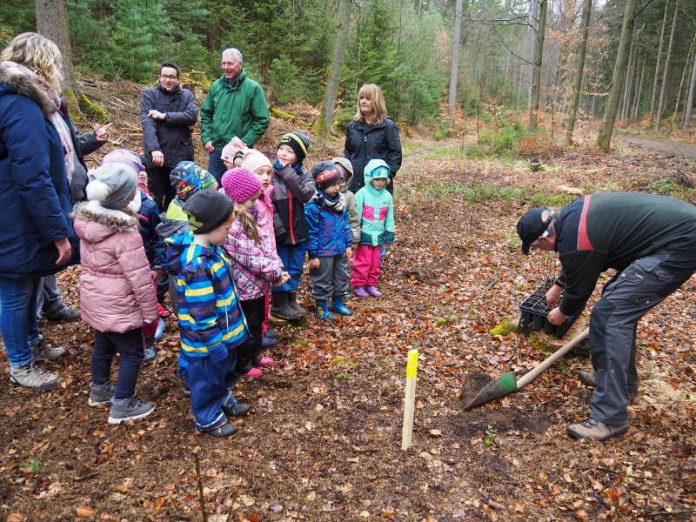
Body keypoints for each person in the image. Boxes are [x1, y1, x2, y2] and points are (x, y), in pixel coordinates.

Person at [516, 192, 696, 441]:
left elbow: (580, 288)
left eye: (536, 247)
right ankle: (619, 384)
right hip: (674, 236)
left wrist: (562, 312)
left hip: (679, 245)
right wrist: (558, 286)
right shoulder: (571, 217)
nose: (541, 251)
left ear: (542, 238)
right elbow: (586, 258)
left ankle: (610, 417)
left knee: (610, 316)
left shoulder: (573, 240)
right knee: (613, 306)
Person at [0, 33, 78, 389]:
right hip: (17, 214)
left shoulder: (20, 100)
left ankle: (32, 343)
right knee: (16, 287)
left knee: (29, 278)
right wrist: (57, 229)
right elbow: (33, 174)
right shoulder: (20, 105)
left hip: (18, 211)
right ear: (43, 63)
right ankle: (20, 364)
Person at [74, 164, 158, 423]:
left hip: (96, 300)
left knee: (103, 344)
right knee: (133, 353)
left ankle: (99, 389)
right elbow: (140, 279)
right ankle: (123, 403)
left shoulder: (87, 222)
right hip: (121, 304)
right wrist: (150, 313)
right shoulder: (125, 234)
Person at [166, 189, 251, 437]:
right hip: (207, 344)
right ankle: (207, 417)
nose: (229, 233)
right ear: (210, 226)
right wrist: (214, 344)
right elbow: (201, 312)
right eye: (226, 228)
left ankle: (222, 398)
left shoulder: (212, 251)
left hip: (223, 336)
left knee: (222, 373)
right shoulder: (197, 264)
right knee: (206, 380)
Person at [36, 99, 110, 325]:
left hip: (72, 195)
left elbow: (69, 146)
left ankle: (53, 305)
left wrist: (94, 139)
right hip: (51, 196)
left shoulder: (59, 106)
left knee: (52, 254)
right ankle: (34, 321)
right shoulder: (33, 109)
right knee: (41, 253)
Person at [221, 168, 288, 378]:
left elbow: (263, 245)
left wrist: (276, 266)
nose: (254, 203)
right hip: (244, 287)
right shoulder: (231, 225)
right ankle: (243, 363)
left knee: (258, 322)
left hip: (258, 285)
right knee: (247, 326)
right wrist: (274, 271)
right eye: (251, 200)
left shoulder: (247, 216)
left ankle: (255, 355)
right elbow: (249, 256)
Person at [102, 150, 167, 361]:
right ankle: (121, 338)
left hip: (146, 269)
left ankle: (147, 341)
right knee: (122, 306)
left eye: (140, 171)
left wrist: (158, 266)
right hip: (115, 273)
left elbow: (158, 238)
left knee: (147, 308)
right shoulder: (100, 210)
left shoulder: (147, 205)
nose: (140, 176)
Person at [200, 48, 270, 182]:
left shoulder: (253, 88)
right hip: (217, 150)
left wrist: (245, 142)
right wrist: (207, 138)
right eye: (223, 63)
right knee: (214, 188)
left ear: (240, 64)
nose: (226, 67)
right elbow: (206, 113)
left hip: (240, 153)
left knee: (239, 191)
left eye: (230, 64)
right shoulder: (216, 87)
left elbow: (262, 120)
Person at [139, 62, 198, 211]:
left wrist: (165, 116)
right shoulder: (150, 95)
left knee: (177, 202)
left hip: (181, 156)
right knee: (154, 199)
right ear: (159, 77)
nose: (168, 80)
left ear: (178, 79)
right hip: (156, 158)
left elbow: (191, 116)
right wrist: (154, 149)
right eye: (165, 76)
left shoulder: (186, 95)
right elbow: (148, 124)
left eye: (172, 77)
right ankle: (153, 231)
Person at [238, 149, 282, 348]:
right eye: (259, 172)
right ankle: (255, 338)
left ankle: (261, 331)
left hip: (267, 256)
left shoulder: (265, 198)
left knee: (264, 298)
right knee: (254, 304)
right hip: (254, 262)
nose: (265, 177)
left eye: (268, 173)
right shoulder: (249, 205)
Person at [270, 131, 315, 320]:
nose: (283, 153)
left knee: (296, 266)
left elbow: (304, 194)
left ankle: (291, 300)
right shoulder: (269, 173)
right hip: (279, 231)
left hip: (298, 230)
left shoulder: (306, 174)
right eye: (281, 148)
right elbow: (267, 202)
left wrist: (287, 172)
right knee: (281, 265)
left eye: (290, 151)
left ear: (299, 155)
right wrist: (277, 227)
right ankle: (279, 303)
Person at [305, 162, 354, 319]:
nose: (337, 188)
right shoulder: (314, 206)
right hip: (323, 251)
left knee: (341, 275)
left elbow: (345, 225)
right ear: (322, 185)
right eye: (333, 185)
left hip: (339, 248)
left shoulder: (340, 203)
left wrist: (348, 245)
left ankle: (338, 302)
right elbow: (311, 232)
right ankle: (321, 305)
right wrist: (313, 255)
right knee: (322, 278)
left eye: (338, 184)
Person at [343, 84, 402, 194]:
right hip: (354, 184)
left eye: (368, 98)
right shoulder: (353, 126)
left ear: (376, 101)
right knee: (355, 211)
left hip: (378, 185)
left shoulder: (388, 126)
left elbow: (395, 155)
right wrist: (347, 172)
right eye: (361, 98)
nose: (363, 101)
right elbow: (348, 152)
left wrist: (384, 176)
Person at [351, 159, 395, 298]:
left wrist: (389, 232)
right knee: (363, 261)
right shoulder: (362, 194)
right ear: (370, 178)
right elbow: (355, 216)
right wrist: (355, 235)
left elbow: (389, 216)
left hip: (379, 234)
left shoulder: (387, 196)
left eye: (383, 179)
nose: (380, 182)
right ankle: (358, 285)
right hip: (365, 234)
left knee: (375, 262)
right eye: (377, 179)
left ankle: (371, 284)